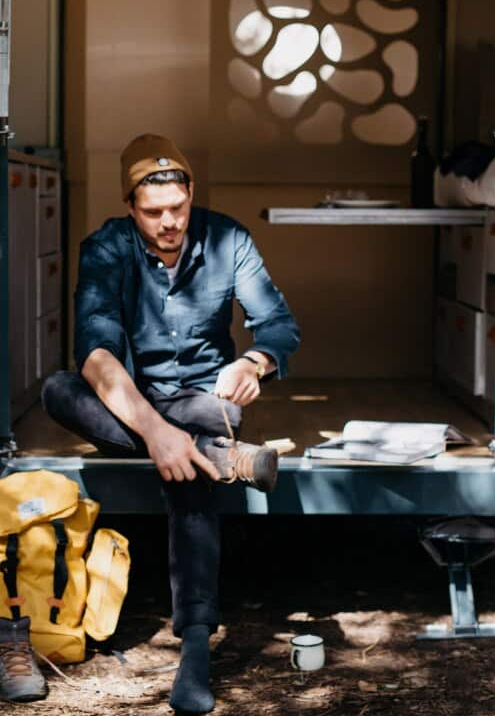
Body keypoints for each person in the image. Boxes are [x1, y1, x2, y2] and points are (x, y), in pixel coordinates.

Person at [40, 133, 300, 713]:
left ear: (191, 196)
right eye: (154, 213)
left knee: (206, 432)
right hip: (134, 398)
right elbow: (97, 356)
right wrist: (156, 434)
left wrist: (254, 361)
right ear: (131, 207)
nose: (169, 223)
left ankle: (197, 646)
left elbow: (278, 324)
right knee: (59, 389)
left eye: (178, 209)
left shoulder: (229, 237)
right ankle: (220, 455)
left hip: (204, 399)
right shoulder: (105, 247)